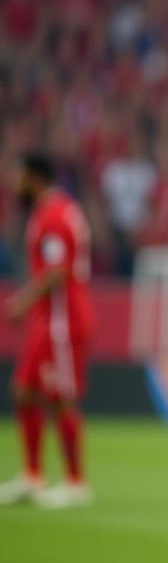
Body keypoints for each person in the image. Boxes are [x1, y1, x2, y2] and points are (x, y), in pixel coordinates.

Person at [0, 152, 94, 508]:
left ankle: (75, 482)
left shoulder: (54, 215)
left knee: (61, 398)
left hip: (62, 319)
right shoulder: (53, 210)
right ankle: (33, 475)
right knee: (24, 390)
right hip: (47, 319)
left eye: (18, 176)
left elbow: (57, 270)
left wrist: (23, 301)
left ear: (35, 178)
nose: (13, 184)